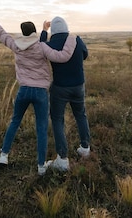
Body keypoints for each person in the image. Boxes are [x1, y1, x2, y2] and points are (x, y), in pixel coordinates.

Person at [0, 14, 78, 175]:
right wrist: (71, 38)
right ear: (34, 32)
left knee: (14, 122)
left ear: (23, 32)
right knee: (41, 128)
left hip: (24, 90)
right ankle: (41, 167)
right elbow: (62, 57)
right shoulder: (42, 46)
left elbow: (2, 34)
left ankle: (3, 156)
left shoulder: (15, 45)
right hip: (40, 92)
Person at [40, 16, 90, 172]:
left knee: (57, 119)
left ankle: (62, 159)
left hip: (60, 87)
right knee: (81, 115)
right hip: (78, 85)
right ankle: (85, 148)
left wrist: (43, 31)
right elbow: (85, 55)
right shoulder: (76, 40)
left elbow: (40, 48)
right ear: (66, 27)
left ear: (53, 30)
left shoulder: (49, 44)